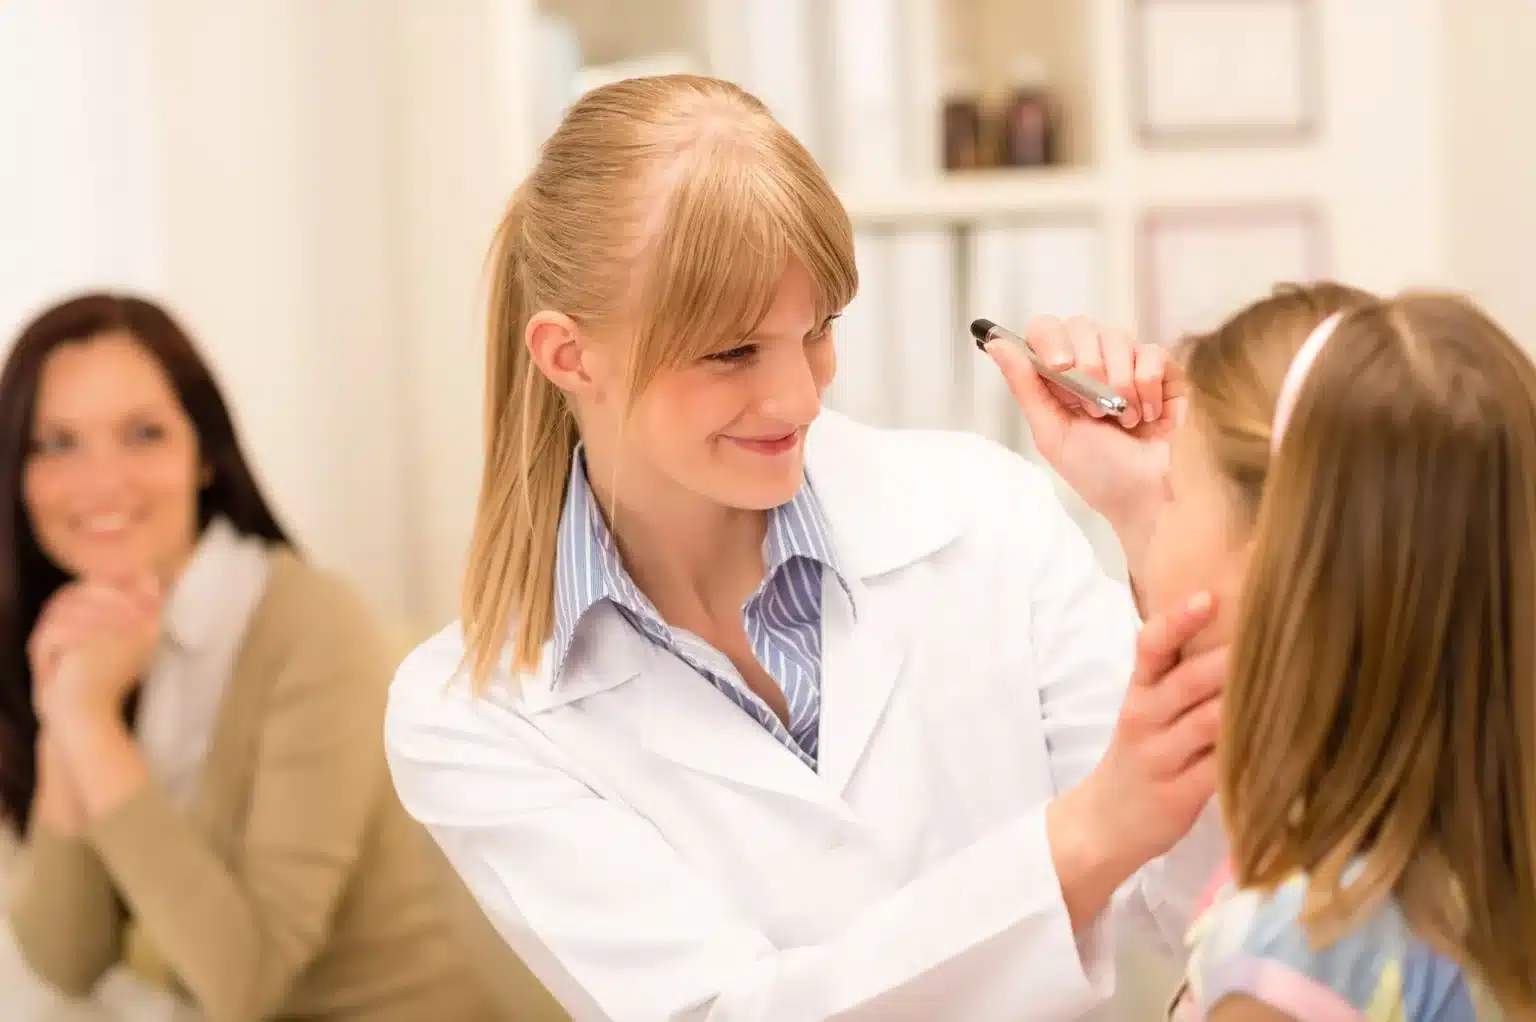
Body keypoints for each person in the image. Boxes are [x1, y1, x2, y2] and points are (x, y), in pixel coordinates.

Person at [384, 74, 1227, 1021]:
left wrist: (1159, 527)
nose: (800, 396)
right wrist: (1085, 837)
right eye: (732, 353)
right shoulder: (470, 713)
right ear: (569, 355)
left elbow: (1211, 899)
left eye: (817, 331)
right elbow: (722, 1011)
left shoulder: (985, 514)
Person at [0, 293, 506, 1021]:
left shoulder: (309, 626)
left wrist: (90, 729)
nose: (100, 481)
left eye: (142, 434)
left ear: (204, 455)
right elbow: (67, 960)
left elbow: (246, 983)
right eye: (56, 443)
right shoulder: (80, 642)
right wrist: (68, 720)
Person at [1143, 285, 1536, 1019]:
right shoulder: (1484, 887)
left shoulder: (1297, 955)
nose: (1149, 522)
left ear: (1276, 572)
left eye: (1168, 494)